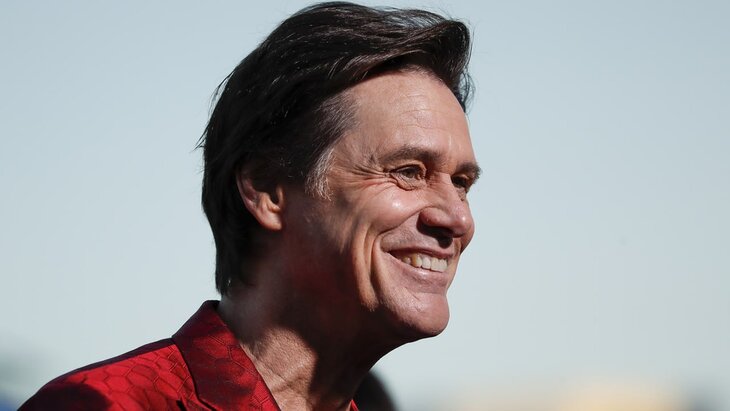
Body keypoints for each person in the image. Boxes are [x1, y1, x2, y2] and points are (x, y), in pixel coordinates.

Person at [20, 2, 479, 410]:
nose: (457, 218)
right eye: (409, 171)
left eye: (461, 184)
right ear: (267, 190)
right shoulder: (104, 404)